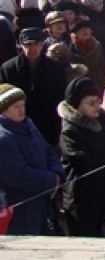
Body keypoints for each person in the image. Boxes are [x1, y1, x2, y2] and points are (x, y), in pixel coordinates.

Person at [58, 76, 105, 236]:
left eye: (98, 101)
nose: (97, 106)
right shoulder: (70, 131)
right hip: (84, 200)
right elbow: (85, 161)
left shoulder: (104, 122)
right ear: (77, 105)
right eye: (91, 103)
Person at [0, 83, 65, 234]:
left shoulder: (28, 125)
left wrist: (57, 174)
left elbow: (48, 150)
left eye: (23, 105)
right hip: (20, 207)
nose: (21, 110)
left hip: (43, 203)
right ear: (3, 110)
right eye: (16, 106)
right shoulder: (3, 138)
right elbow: (18, 174)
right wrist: (50, 181)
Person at [0, 25, 68, 145]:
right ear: (21, 45)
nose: (33, 48)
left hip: (49, 125)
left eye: (37, 44)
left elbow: (61, 97)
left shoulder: (55, 68)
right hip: (19, 126)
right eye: (28, 45)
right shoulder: (9, 69)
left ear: (42, 45)